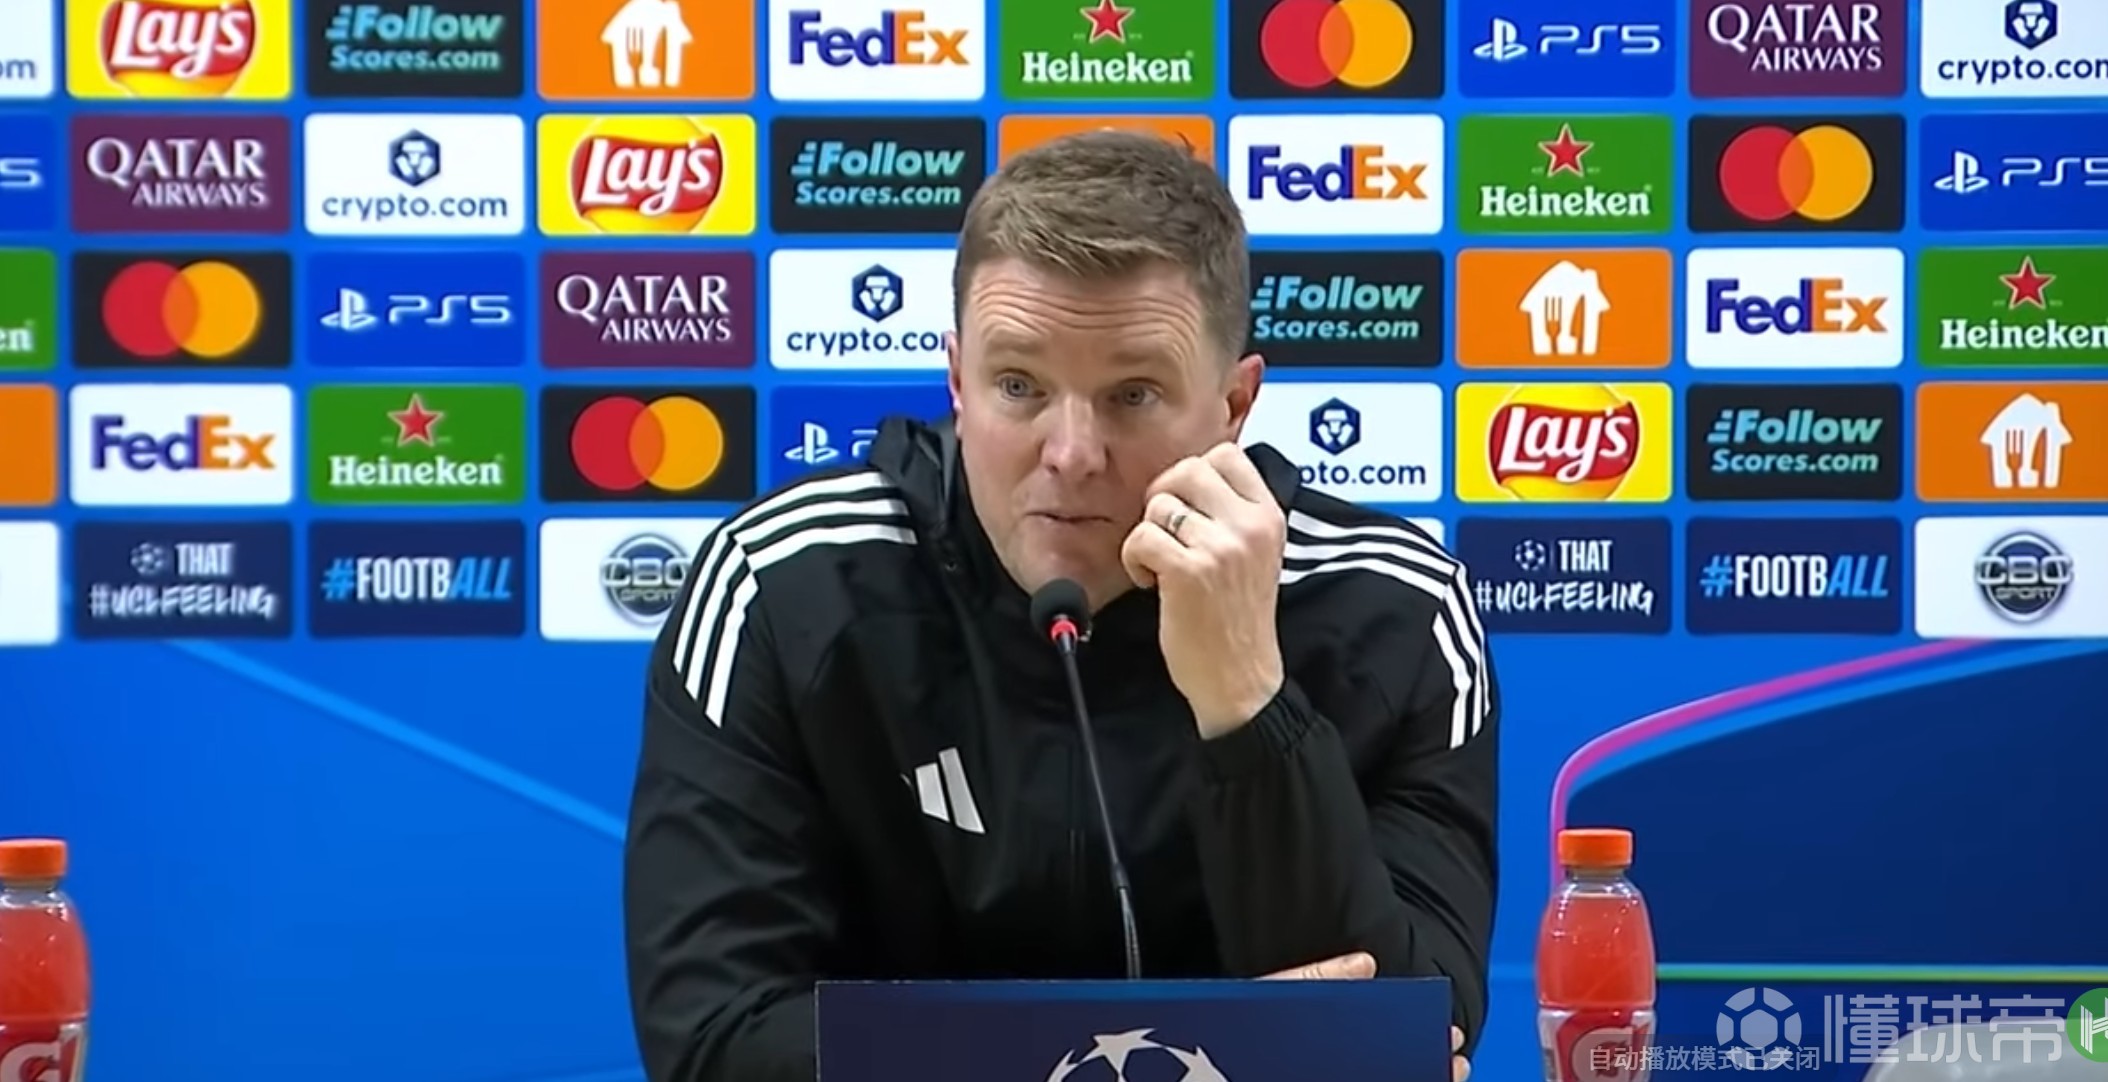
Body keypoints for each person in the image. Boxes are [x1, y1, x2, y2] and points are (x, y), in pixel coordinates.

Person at [623, 129, 1499, 1082]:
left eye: (1133, 394)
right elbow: (715, 1042)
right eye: (1018, 386)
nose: (1072, 452)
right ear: (956, 382)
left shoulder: (1396, 609)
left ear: (1234, 407)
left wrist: (1248, 702)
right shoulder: (781, 586)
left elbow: (1406, 1043)